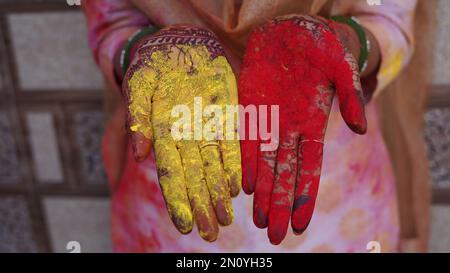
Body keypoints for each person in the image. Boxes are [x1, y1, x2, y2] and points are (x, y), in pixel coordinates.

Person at [82, 0, 419, 252]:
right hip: (174, 203)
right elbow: (114, 22)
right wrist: (148, 50)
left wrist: (344, 42)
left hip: (335, 205)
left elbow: (386, 16)